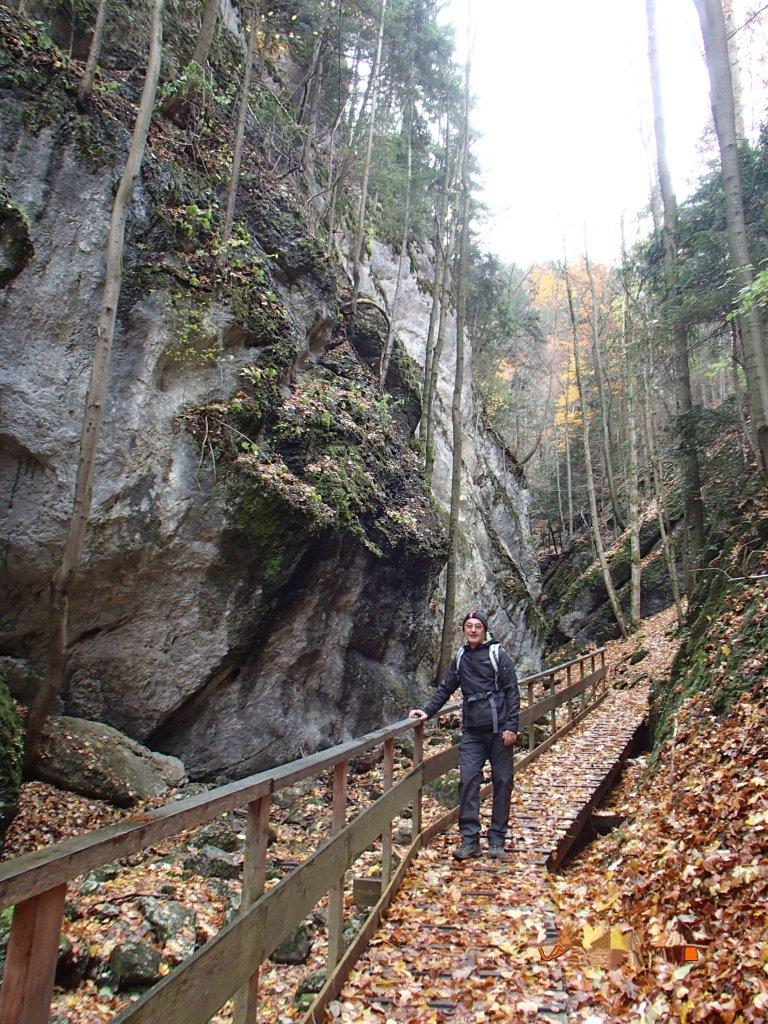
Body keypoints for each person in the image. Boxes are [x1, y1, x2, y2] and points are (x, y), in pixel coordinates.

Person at [409, 610, 520, 861]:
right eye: (468, 626)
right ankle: (470, 840)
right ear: (464, 629)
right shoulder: (460, 657)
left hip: (499, 729)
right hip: (472, 732)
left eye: (477, 626)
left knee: (503, 781)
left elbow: (512, 691)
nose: (472, 630)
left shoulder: (497, 655)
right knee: (468, 780)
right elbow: (446, 688)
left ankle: (497, 840)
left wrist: (512, 727)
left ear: (484, 629)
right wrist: (426, 712)